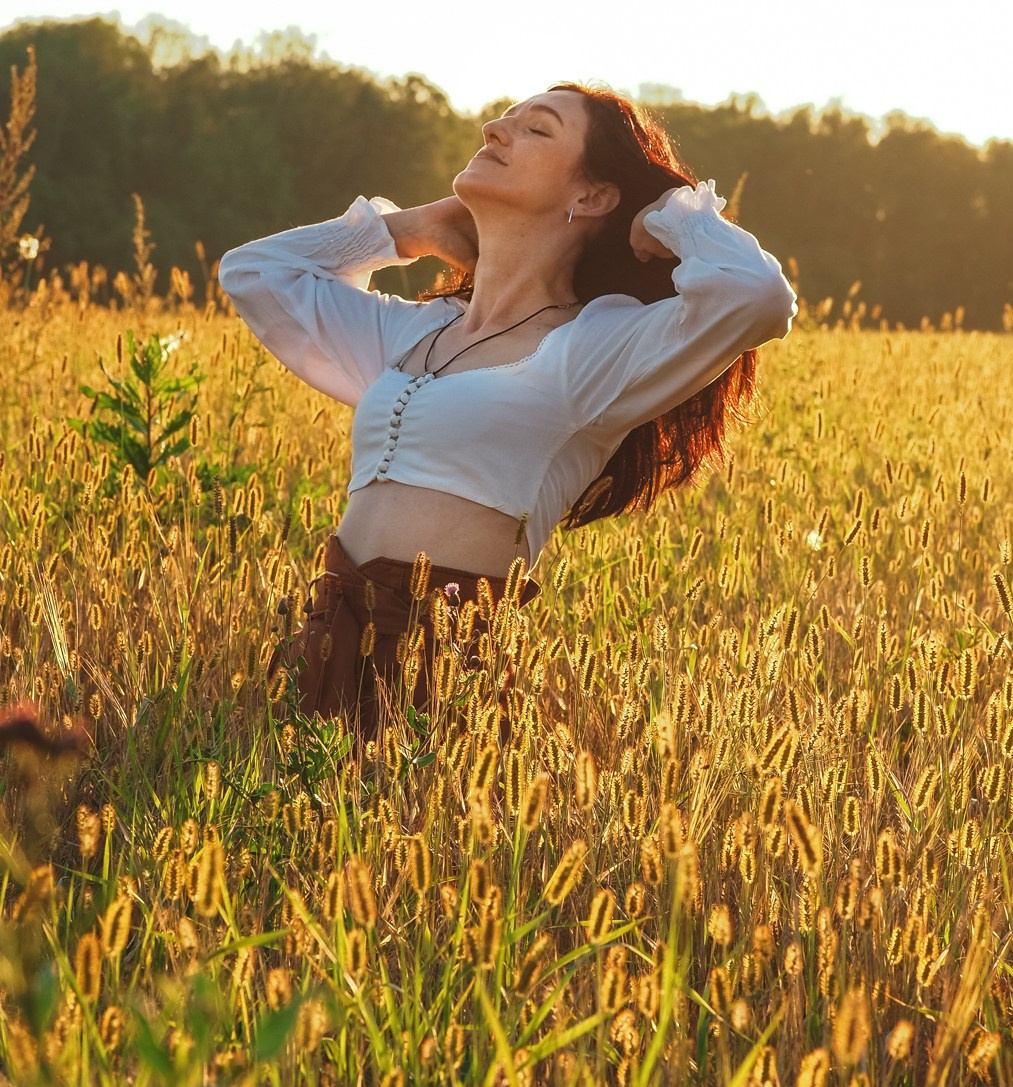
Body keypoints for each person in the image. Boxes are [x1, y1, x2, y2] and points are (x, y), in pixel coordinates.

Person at [217, 83, 797, 740]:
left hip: (440, 672)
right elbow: (255, 271)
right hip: (324, 645)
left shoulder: (593, 349)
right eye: (505, 118)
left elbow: (756, 298)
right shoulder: (418, 330)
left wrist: (671, 216)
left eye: (537, 130)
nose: (495, 127)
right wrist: (403, 231)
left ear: (591, 195)